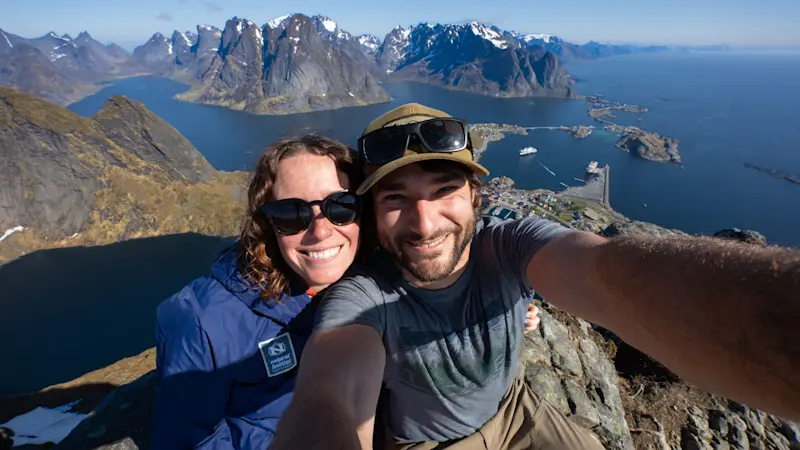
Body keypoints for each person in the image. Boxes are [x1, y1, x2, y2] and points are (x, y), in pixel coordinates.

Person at [271, 104, 800, 450]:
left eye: (443, 191)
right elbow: (330, 394)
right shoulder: (365, 297)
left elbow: (604, 274)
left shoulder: (510, 246)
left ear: (476, 197)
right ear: (371, 212)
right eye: (396, 199)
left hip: (520, 408)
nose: (425, 222)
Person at [151, 135, 366, 449]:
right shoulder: (202, 322)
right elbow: (189, 441)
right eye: (292, 214)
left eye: (342, 207)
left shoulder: (376, 283)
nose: (320, 232)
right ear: (268, 224)